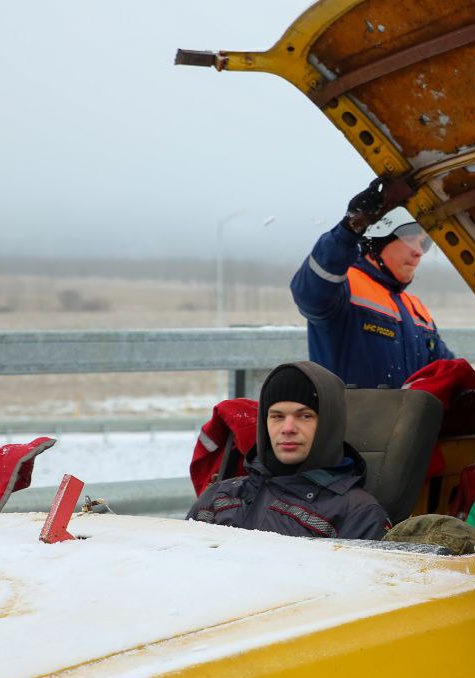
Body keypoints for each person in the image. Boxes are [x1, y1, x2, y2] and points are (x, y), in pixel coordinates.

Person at [187, 361, 391, 539]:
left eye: (305, 416)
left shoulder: (359, 515)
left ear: (329, 424)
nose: (287, 429)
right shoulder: (219, 497)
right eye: (277, 416)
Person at [290, 178, 453, 388]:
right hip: (348, 421)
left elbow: (448, 375)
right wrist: (349, 228)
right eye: (409, 238)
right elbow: (309, 293)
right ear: (379, 239)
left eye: (425, 243)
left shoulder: (417, 310)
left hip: (407, 421)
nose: (419, 251)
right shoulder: (343, 286)